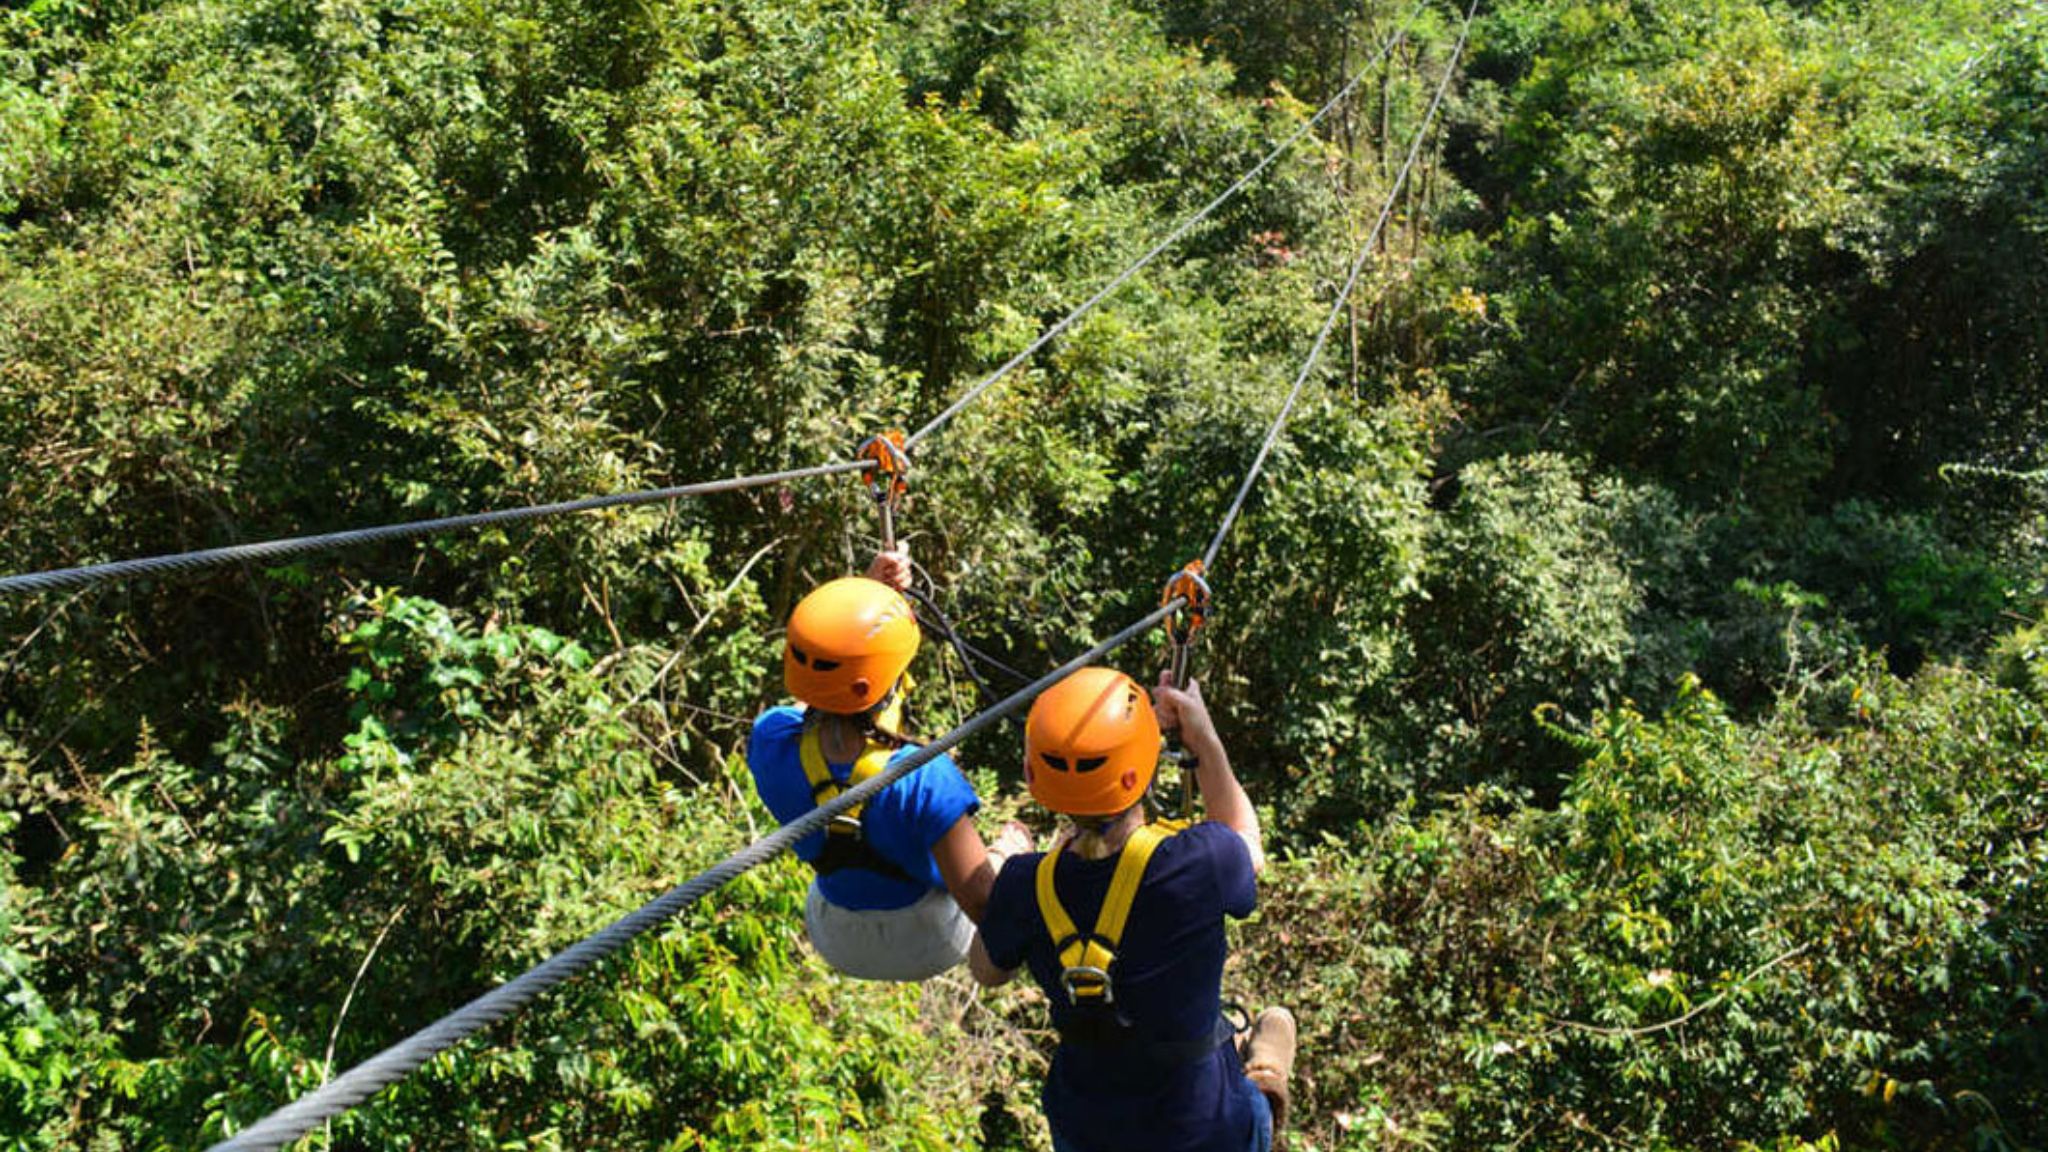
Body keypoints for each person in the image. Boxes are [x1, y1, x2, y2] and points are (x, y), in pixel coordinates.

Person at [969, 666, 1297, 1152]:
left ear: (1033, 773)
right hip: (1203, 1125)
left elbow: (985, 970)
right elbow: (1248, 843)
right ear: (1142, 767)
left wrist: (1003, 863)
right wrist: (1203, 738)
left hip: (1090, 1127)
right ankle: (1266, 1077)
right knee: (1253, 1104)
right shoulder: (1200, 860)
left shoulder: (1025, 884)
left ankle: (1262, 1073)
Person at [747, 549, 1030, 981]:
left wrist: (869, 600)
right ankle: (1011, 849)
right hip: (928, 939)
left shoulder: (770, 740)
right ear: (890, 682)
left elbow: (821, 691)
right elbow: (982, 905)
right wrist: (1013, 857)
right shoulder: (923, 780)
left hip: (835, 935)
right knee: (1009, 853)